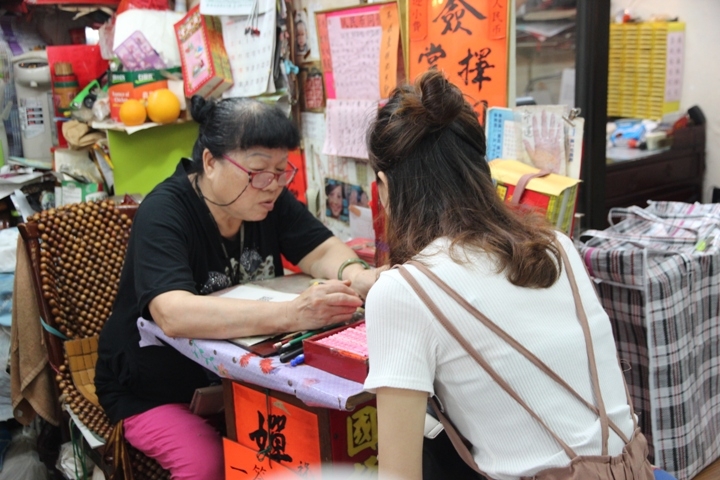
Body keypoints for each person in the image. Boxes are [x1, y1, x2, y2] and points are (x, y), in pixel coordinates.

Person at [363, 70, 654, 479]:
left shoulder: (402, 294)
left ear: (385, 188)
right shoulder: (556, 246)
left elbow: (399, 474)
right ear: (482, 170)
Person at [95, 95, 377, 479]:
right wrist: (292, 314)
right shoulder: (164, 212)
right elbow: (173, 313)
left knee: (315, 450)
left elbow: (320, 249)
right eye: (259, 171)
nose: (274, 186)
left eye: (282, 171)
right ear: (210, 162)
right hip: (156, 390)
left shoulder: (267, 199)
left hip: (239, 379)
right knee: (207, 466)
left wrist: (357, 275)